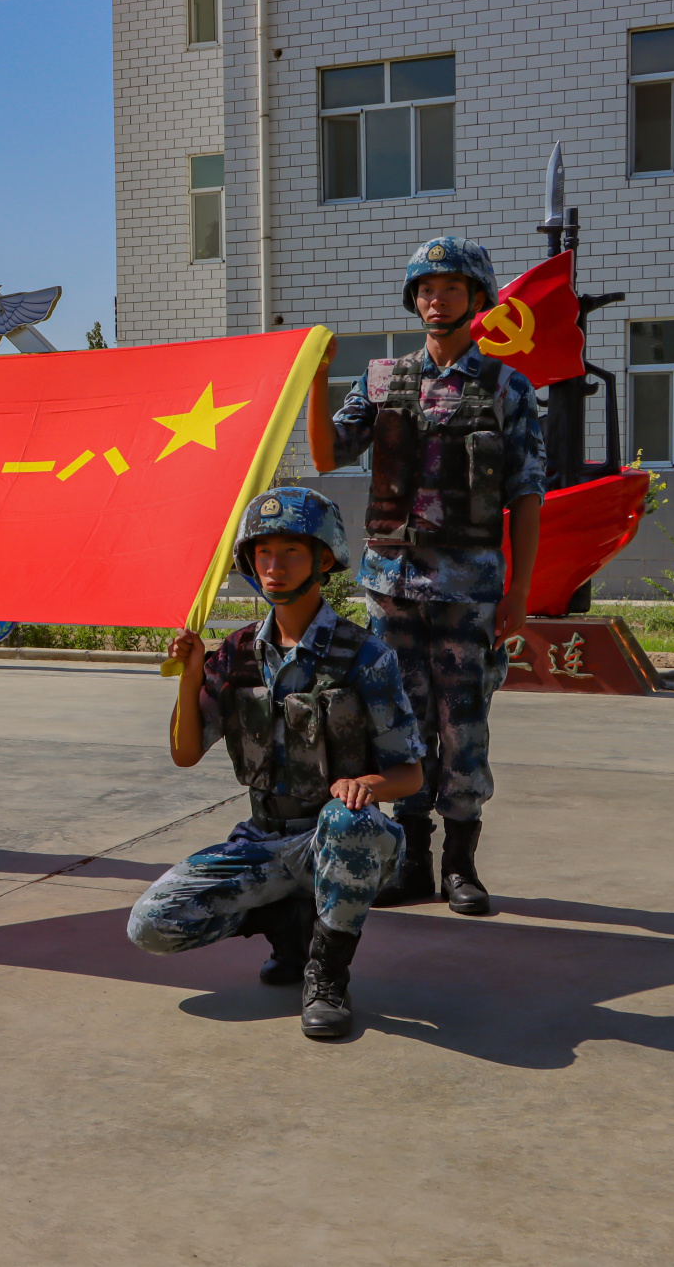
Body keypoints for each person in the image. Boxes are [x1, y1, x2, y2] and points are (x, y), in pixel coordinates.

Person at [127, 488, 425, 1039]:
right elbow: (185, 754)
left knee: (346, 820)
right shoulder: (236, 654)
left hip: (343, 841)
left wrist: (363, 783)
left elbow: (410, 773)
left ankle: (327, 975)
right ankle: (291, 928)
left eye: (290, 551)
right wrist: (193, 674)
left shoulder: (365, 656)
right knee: (153, 924)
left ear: (325, 559)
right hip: (263, 841)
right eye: (263, 552)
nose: (274, 565)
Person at [307, 237, 545, 917]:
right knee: (403, 724)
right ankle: (411, 857)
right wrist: (313, 381)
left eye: (448, 288)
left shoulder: (507, 388)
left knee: (463, 723)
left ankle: (461, 863)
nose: (434, 300)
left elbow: (526, 493)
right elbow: (327, 456)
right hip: (392, 587)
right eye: (424, 289)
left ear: (477, 299)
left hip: (470, 588)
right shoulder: (381, 381)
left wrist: (520, 592)